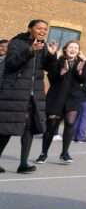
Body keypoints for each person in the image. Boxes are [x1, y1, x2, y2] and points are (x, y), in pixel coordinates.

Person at [0, 20, 58, 174]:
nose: (43, 31)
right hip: (15, 93)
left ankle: (23, 164)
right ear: (30, 29)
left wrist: (52, 56)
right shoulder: (17, 42)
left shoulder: (43, 45)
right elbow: (11, 64)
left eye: (45, 29)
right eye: (39, 28)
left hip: (34, 94)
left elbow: (50, 70)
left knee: (29, 129)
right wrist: (30, 51)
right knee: (6, 129)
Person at [37, 40, 86, 164]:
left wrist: (80, 70)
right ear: (65, 49)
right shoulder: (59, 60)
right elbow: (51, 78)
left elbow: (83, 80)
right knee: (51, 126)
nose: (73, 49)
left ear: (78, 51)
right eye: (71, 47)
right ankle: (43, 153)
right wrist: (61, 72)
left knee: (70, 124)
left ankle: (65, 153)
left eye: (76, 48)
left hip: (73, 98)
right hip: (57, 97)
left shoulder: (82, 62)